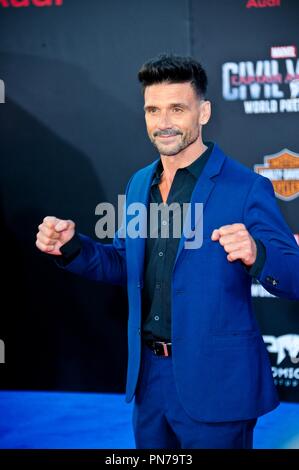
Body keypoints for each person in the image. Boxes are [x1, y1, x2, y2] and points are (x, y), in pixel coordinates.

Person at [36, 54, 299, 449]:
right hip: (149, 381)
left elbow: (293, 277)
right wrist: (71, 246)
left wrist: (257, 252)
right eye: (153, 110)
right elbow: (123, 262)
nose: (163, 123)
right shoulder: (141, 183)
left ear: (203, 112)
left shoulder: (246, 187)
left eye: (177, 108)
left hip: (217, 384)